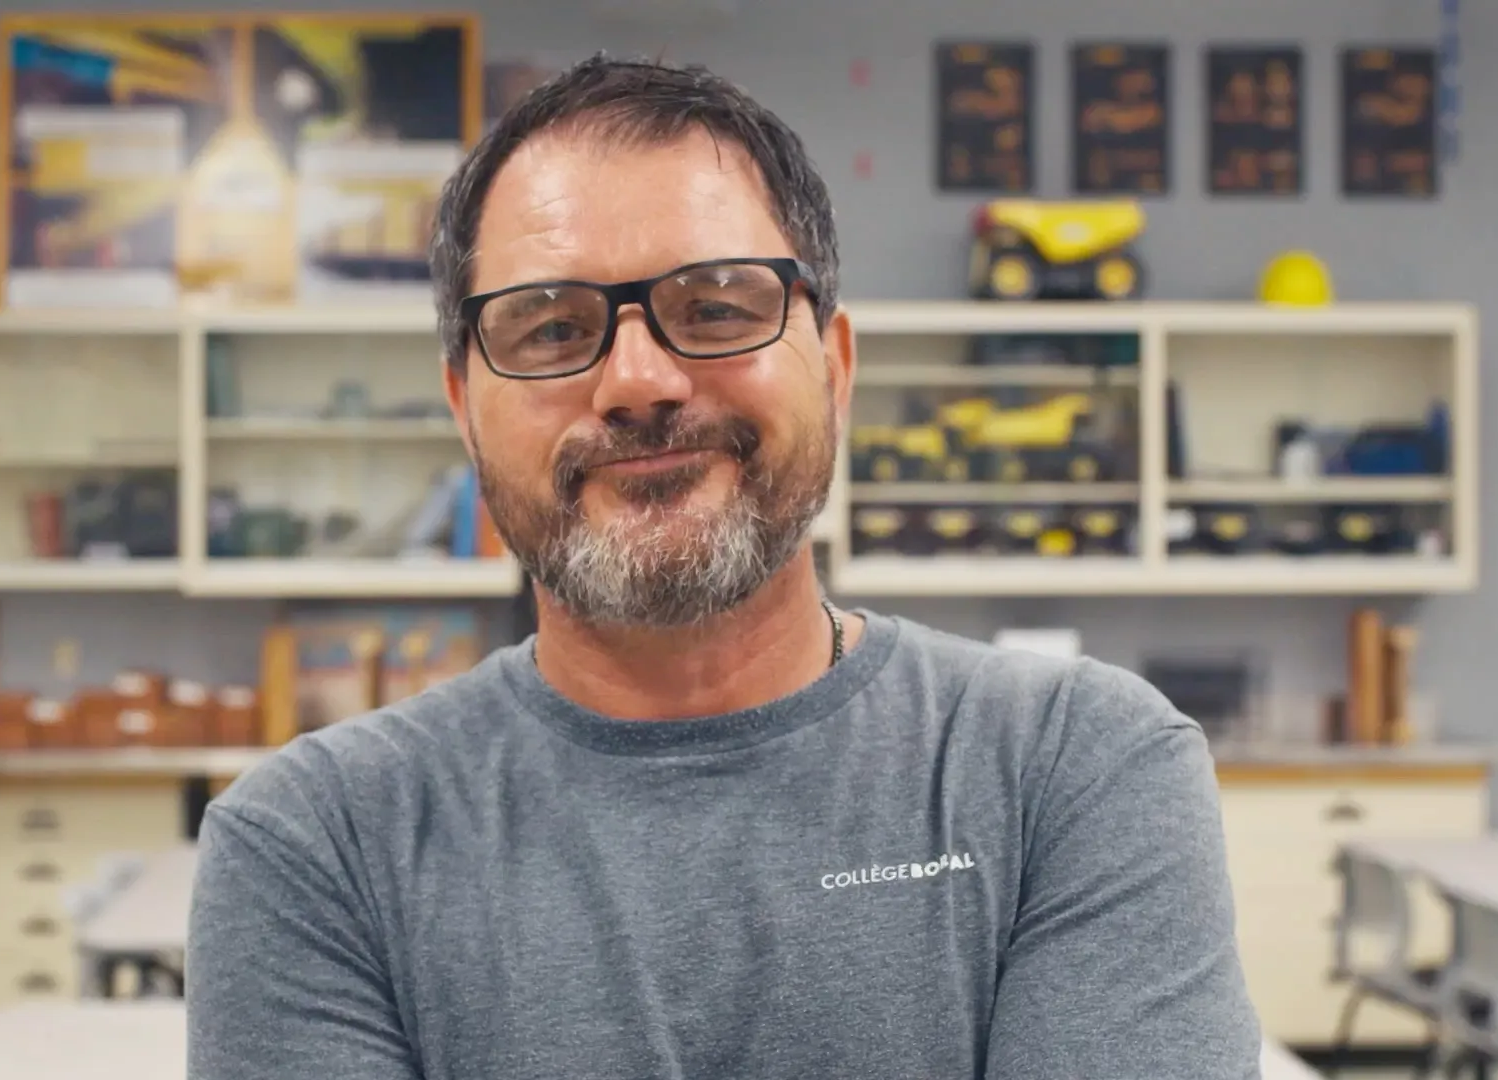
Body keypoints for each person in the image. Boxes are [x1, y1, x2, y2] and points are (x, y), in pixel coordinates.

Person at [187, 54, 1262, 1080]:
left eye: (714, 307)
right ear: (466, 410)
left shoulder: (1075, 770)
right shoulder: (316, 845)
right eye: (551, 329)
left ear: (834, 367)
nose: (638, 381)